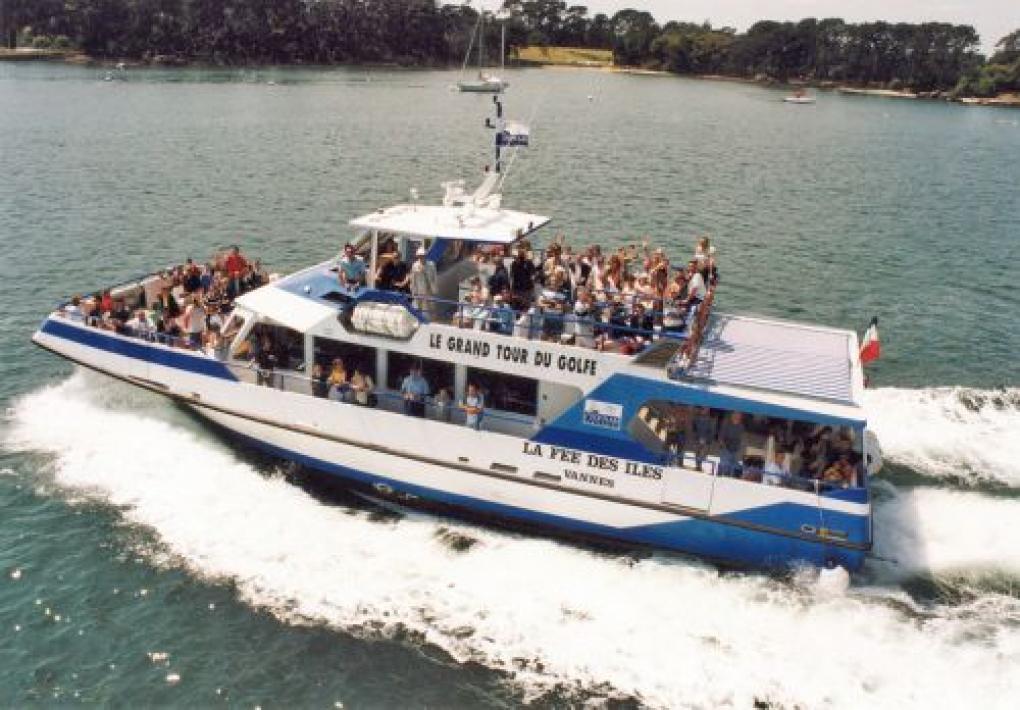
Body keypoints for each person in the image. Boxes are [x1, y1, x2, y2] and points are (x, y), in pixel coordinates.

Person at [409, 247, 437, 315]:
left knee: (428, 310)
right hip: (418, 291)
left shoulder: (431, 265)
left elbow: (434, 278)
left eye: (423, 255)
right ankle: (418, 323)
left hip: (429, 291)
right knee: (417, 309)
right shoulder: (415, 265)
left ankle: (427, 323)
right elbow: (413, 279)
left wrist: (434, 290)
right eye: (420, 256)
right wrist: (413, 291)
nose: (421, 257)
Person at [717, 411, 745, 476]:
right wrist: (723, 445)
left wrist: (738, 449)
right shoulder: (726, 424)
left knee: (734, 468)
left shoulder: (741, 427)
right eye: (735, 414)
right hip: (725, 449)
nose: (737, 416)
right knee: (724, 465)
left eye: (739, 415)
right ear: (732, 415)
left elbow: (740, 440)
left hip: (735, 451)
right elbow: (720, 437)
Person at [691, 407, 716, 471]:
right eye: (702, 409)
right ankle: (698, 466)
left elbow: (711, 432)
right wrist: (697, 438)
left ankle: (700, 465)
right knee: (697, 450)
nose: (704, 410)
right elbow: (693, 430)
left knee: (703, 452)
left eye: (706, 409)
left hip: (706, 441)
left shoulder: (711, 420)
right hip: (696, 440)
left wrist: (705, 439)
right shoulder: (696, 418)